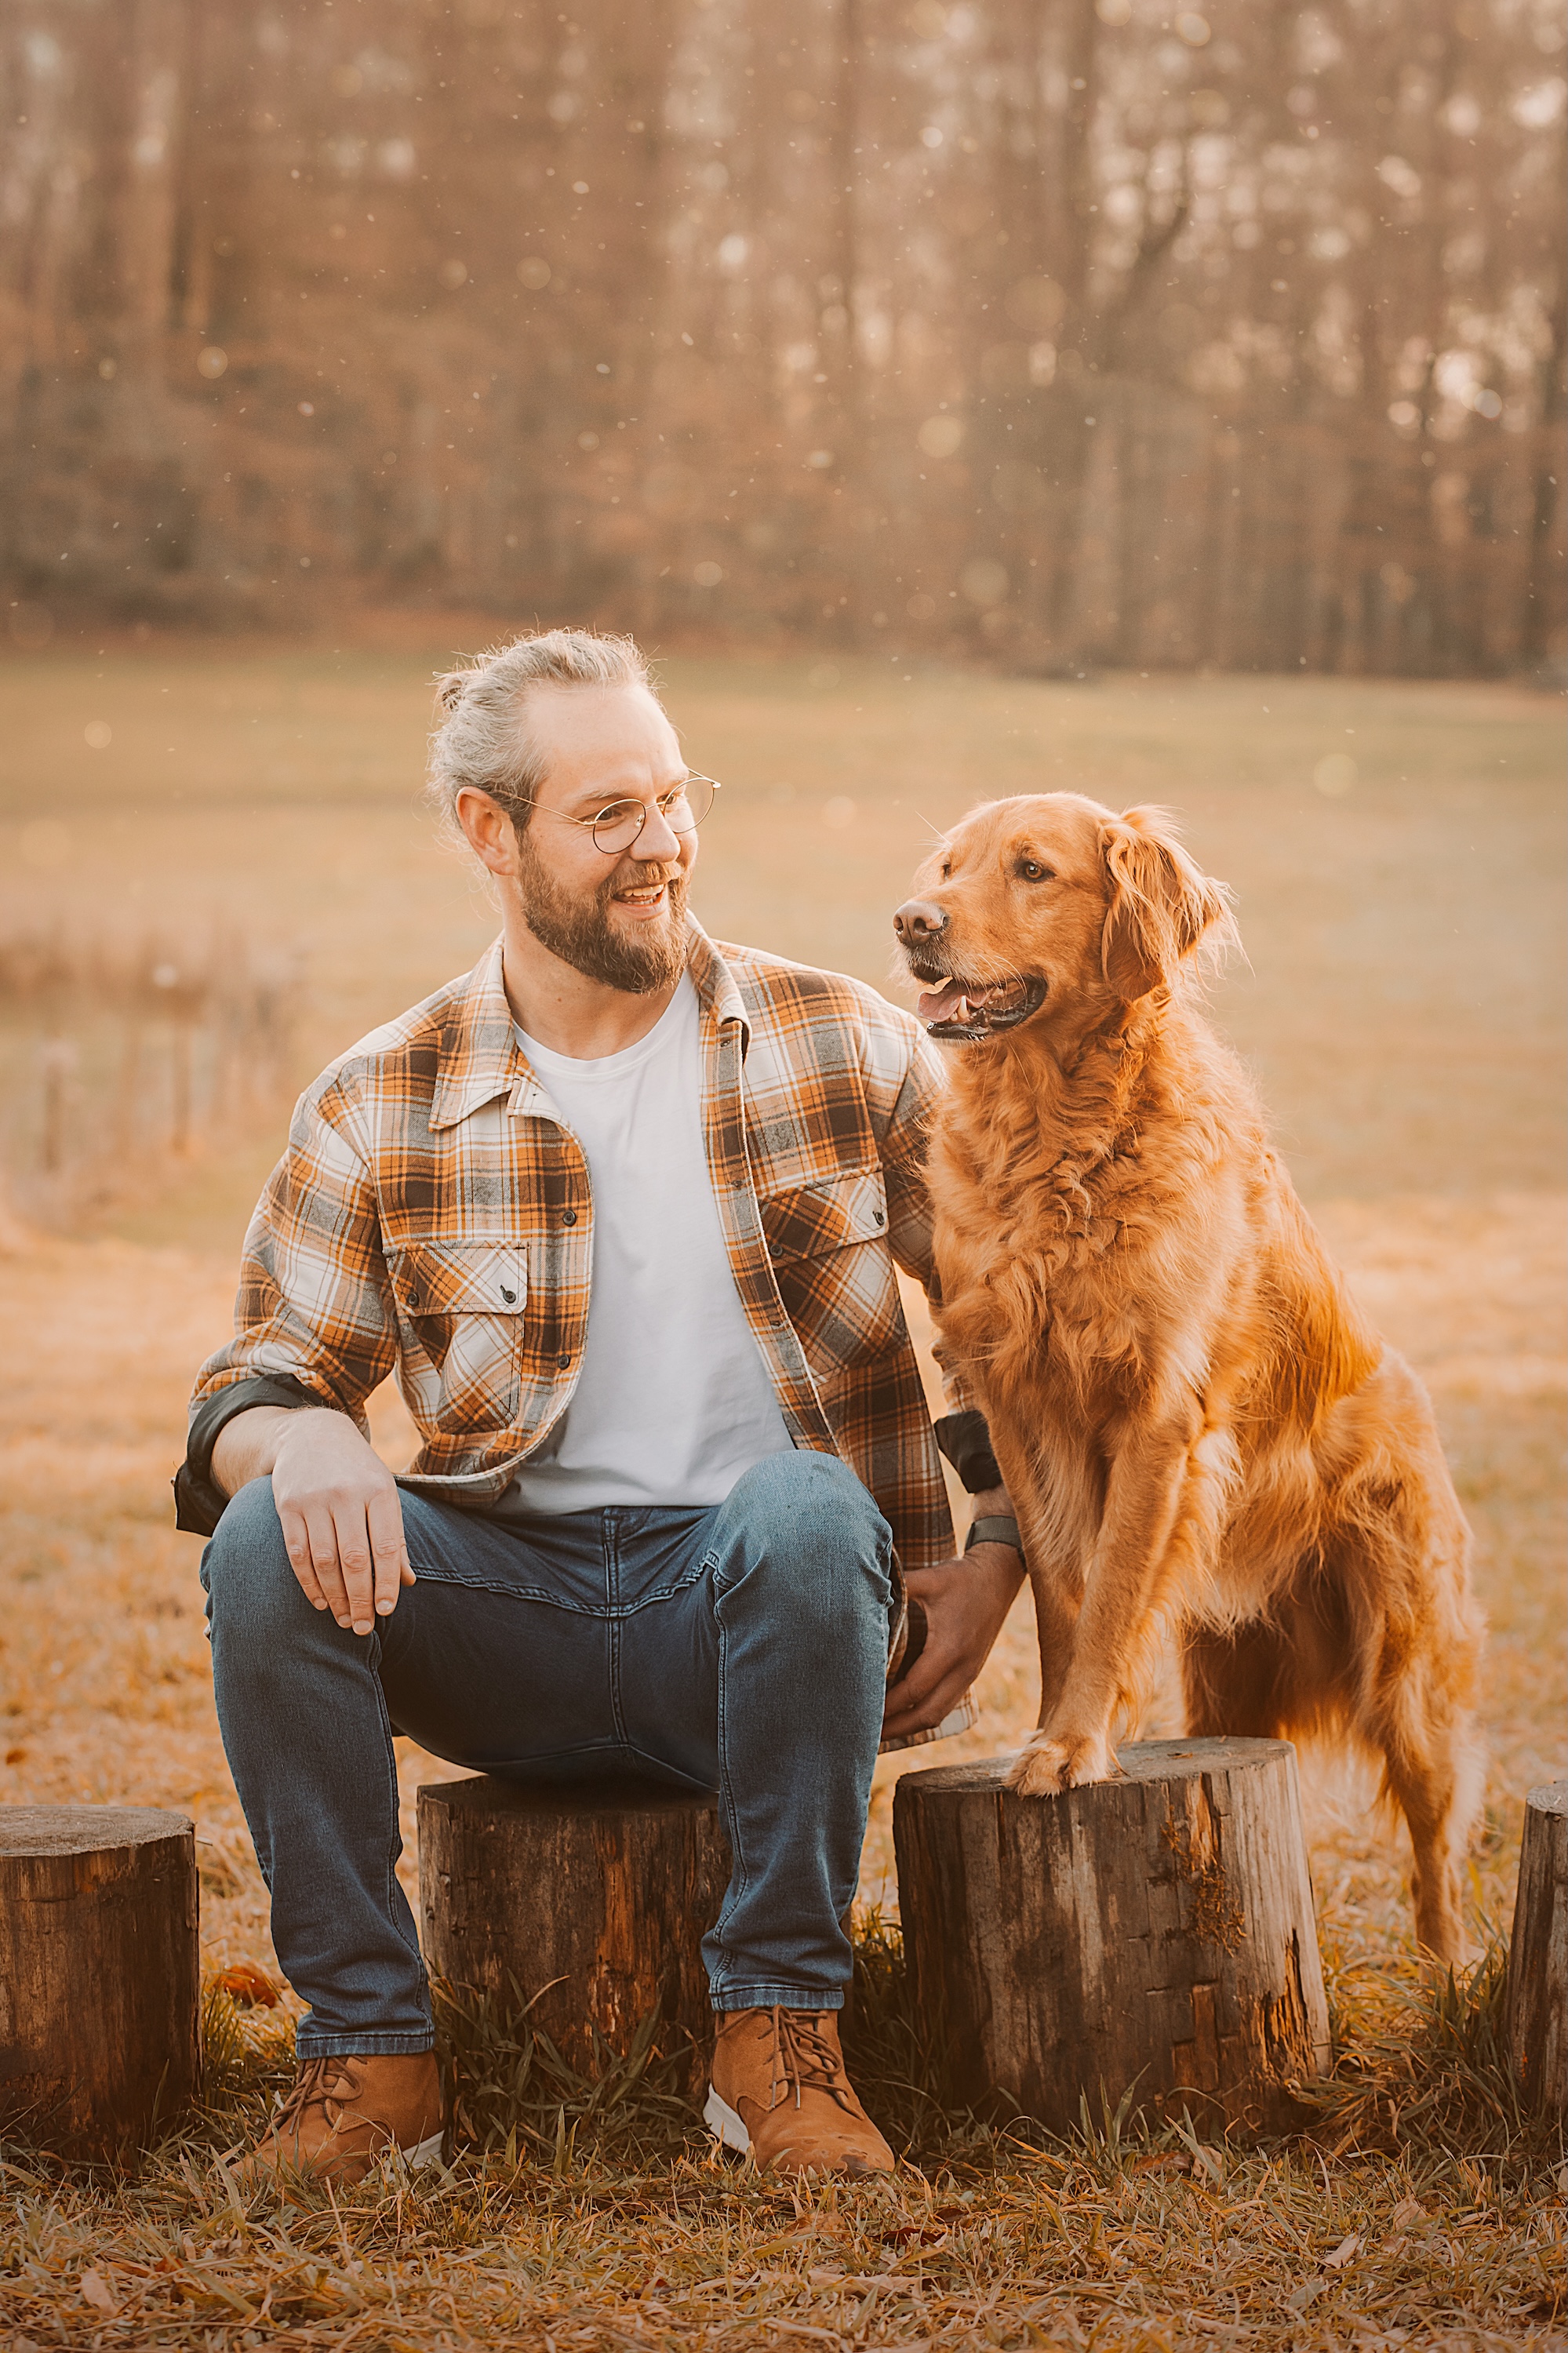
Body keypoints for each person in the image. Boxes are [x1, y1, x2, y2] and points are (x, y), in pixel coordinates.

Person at [178, 629, 1024, 2183]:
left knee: (801, 1498)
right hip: (508, 1625)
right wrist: (301, 1438)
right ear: (487, 835)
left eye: (673, 796)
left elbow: (1005, 1315)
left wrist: (1001, 1545)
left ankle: (777, 2043)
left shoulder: (841, 1043)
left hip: (773, 1616)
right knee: (254, 1546)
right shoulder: (386, 1096)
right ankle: (369, 2068)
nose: (663, 846)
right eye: (609, 814)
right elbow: (250, 1384)